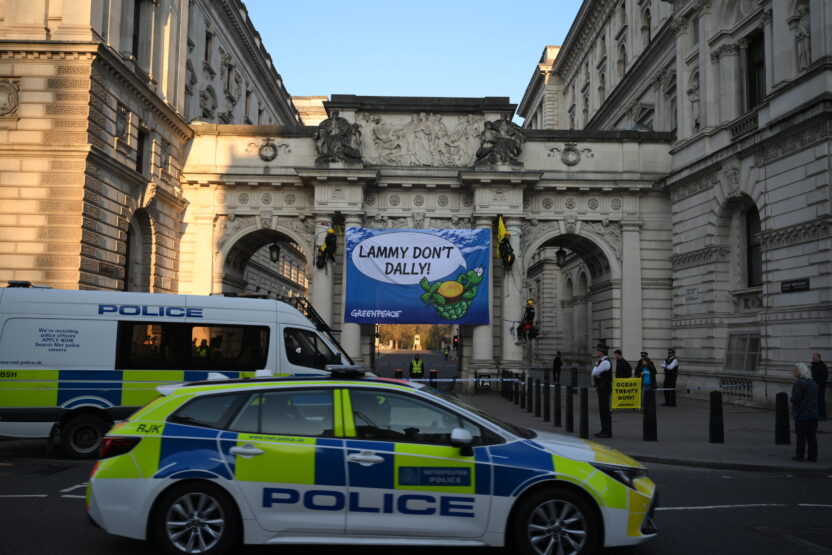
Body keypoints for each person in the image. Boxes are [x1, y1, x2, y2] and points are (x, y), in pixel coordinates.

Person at [790, 362, 818, 462]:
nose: (794, 372)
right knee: (811, 436)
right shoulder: (813, 383)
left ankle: (800, 455)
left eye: (796, 370)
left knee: (801, 436)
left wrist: (791, 398)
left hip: (802, 413)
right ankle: (812, 456)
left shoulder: (798, 383)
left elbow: (796, 399)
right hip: (813, 413)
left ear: (801, 371)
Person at [591, 344, 613, 438]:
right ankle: (604, 430)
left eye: (598, 351)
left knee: (604, 410)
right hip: (603, 388)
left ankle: (606, 431)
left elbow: (594, 372)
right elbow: (596, 374)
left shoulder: (605, 362)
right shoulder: (603, 361)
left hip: (604, 388)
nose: (597, 352)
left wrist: (596, 366)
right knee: (603, 410)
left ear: (601, 352)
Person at [811, 353, 827, 420]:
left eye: (815, 357)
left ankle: (822, 416)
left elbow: (825, 377)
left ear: (819, 358)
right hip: (814, 386)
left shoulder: (823, 366)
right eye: (813, 357)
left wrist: (818, 384)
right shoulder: (813, 366)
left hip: (821, 386)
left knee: (821, 401)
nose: (813, 358)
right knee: (815, 401)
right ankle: (816, 414)